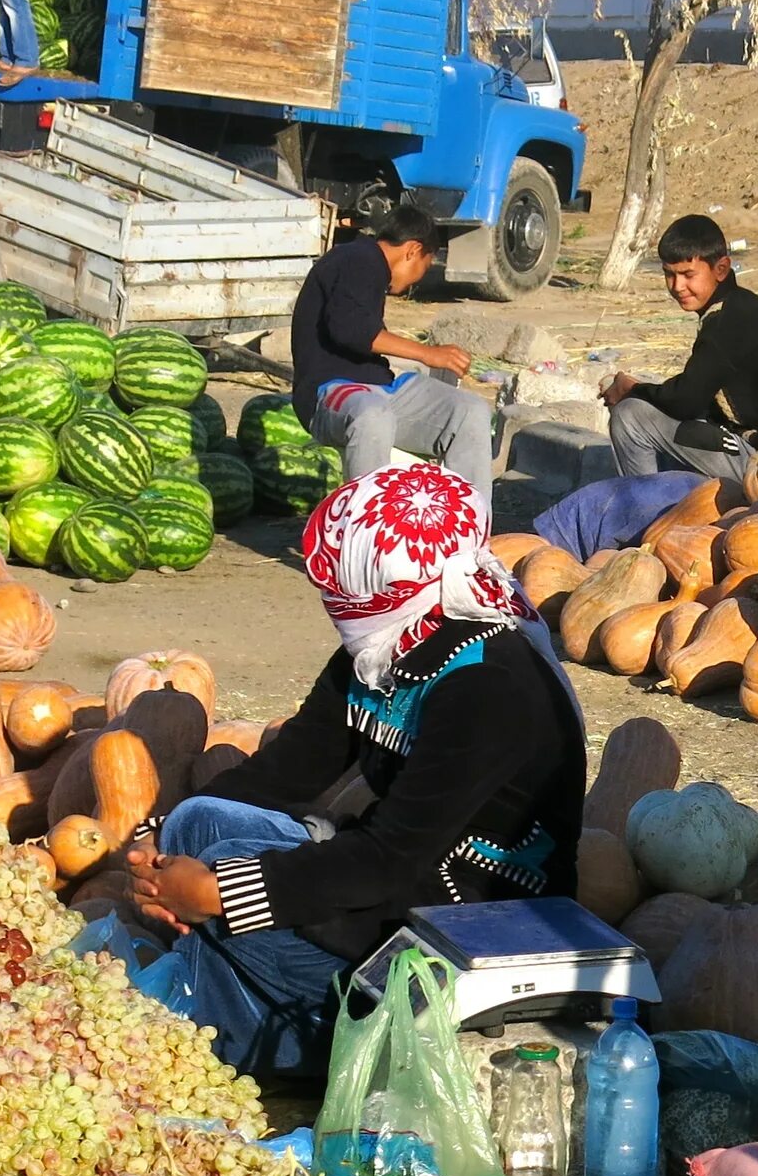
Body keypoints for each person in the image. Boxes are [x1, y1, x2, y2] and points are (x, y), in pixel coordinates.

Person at [120, 463, 587, 1076]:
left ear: (385, 584)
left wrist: (219, 895)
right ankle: (231, 1001)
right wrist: (154, 836)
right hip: (388, 889)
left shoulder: (489, 688)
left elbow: (389, 860)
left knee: (224, 888)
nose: (333, 605)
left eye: (341, 589)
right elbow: (284, 773)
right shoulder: (391, 643)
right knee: (199, 826)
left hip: (456, 931)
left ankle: (316, 1048)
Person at [289, 202, 494, 506]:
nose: (415, 281)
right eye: (423, 268)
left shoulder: (369, 268)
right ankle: (369, 534)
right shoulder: (359, 258)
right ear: (413, 249)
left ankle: (471, 534)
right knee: (373, 414)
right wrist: (427, 354)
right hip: (328, 391)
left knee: (470, 412)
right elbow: (352, 331)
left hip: (380, 387)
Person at [599, 214, 758, 478]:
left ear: (721, 269)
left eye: (687, 275)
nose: (678, 286)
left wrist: (632, 389)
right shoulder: (738, 307)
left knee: (631, 415)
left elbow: (686, 401)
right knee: (657, 402)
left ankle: (645, 509)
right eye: (669, 275)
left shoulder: (727, 321)